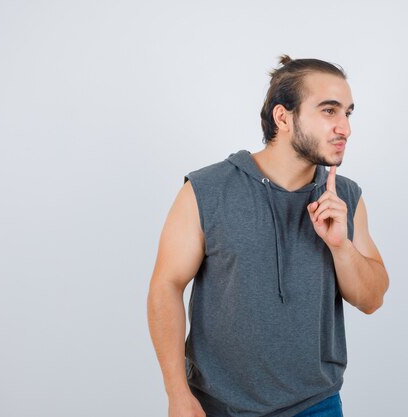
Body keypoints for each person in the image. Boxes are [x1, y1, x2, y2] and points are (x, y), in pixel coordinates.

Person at [147, 55, 389, 417]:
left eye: (348, 113)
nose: (345, 128)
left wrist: (341, 246)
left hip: (316, 405)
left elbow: (371, 299)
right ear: (283, 117)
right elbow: (165, 286)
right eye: (329, 111)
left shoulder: (346, 197)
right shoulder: (208, 189)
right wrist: (177, 393)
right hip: (217, 407)